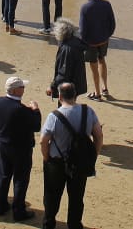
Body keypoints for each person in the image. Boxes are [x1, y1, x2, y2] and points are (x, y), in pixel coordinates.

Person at [40, 82, 103, 229]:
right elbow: (98, 136)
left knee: (52, 195)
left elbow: (43, 141)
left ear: (60, 96)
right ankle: (74, 224)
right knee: (76, 197)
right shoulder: (88, 111)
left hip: (56, 161)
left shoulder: (53, 116)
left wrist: (46, 157)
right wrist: (94, 156)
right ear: (75, 95)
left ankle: (49, 223)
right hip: (80, 162)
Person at [0, 76, 42, 221]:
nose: (24, 89)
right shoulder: (22, 110)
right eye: (22, 87)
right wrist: (35, 110)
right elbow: (36, 126)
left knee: (4, 176)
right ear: (15, 90)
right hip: (21, 150)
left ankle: (1, 205)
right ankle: (19, 211)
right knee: (20, 179)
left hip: (3, 144)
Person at [78, 0, 116, 100]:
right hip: (103, 40)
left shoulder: (85, 8)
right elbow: (112, 24)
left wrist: (83, 42)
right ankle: (105, 88)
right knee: (102, 60)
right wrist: (106, 36)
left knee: (93, 66)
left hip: (91, 42)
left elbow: (83, 30)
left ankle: (97, 93)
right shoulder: (106, 4)